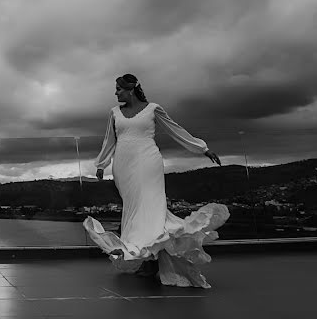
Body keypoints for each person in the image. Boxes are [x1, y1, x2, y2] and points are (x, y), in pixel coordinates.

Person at [83, 74, 230, 288]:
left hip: (148, 161)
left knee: (151, 207)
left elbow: (175, 129)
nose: (116, 93)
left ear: (131, 89)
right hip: (124, 165)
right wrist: (101, 164)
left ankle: (147, 257)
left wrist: (202, 149)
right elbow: (109, 140)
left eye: (119, 89)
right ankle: (145, 257)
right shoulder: (114, 113)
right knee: (134, 210)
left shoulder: (153, 109)